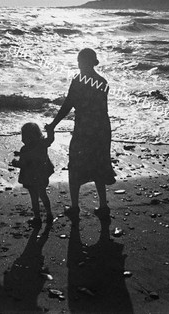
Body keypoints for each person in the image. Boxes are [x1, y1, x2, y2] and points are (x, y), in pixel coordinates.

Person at [46, 48, 116, 221]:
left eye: (80, 61)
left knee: (76, 165)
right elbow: (100, 110)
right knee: (99, 165)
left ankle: (75, 206)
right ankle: (103, 205)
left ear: (83, 63)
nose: (79, 65)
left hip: (84, 129)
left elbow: (68, 105)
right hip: (101, 129)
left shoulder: (78, 80)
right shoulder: (102, 82)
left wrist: (53, 124)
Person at [12, 122, 54, 227]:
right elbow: (51, 139)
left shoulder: (25, 149)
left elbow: (23, 164)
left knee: (34, 198)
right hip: (42, 176)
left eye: (24, 136)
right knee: (43, 195)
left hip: (30, 178)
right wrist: (50, 129)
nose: (22, 139)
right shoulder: (42, 144)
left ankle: (37, 218)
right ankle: (49, 214)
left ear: (29, 137)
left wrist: (15, 163)